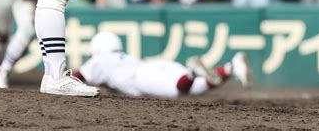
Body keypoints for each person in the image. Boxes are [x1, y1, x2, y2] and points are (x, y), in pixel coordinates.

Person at [74, 32, 253, 99]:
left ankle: (192, 73)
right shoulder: (122, 57)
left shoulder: (99, 60)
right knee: (196, 89)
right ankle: (230, 67)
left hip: (142, 78)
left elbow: (76, 77)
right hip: (156, 66)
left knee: (179, 90)